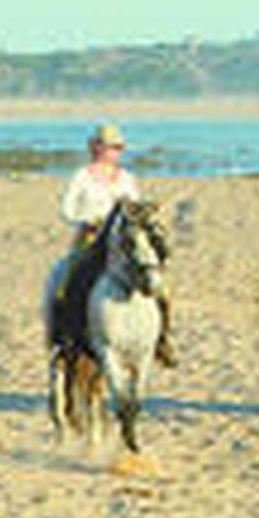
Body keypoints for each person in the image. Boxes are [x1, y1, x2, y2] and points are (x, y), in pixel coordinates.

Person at [54, 123, 176, 367]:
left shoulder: (127, 179)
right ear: (96, 147)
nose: (114, 152)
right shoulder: (81, 176)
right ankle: (69, 336)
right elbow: (66, 210)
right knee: (71, 279)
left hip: (122, 241)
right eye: (110, 146)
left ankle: (163, 339)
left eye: (118, 147)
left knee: (157, 283)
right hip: (91, 237)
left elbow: (136, 210)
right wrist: (88, 220)